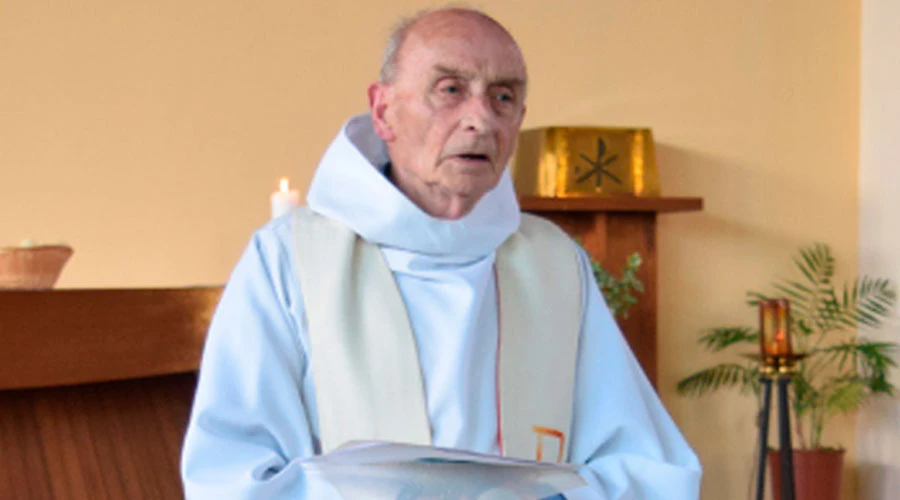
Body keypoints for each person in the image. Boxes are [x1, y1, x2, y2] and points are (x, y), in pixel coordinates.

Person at [181, 7, 702, 499]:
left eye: (502, 97)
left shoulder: (553, 264)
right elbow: (230, 473)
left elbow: (645, 462)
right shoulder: (290, 259)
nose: (480, 119)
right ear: (383, 111)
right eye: (450, 90)